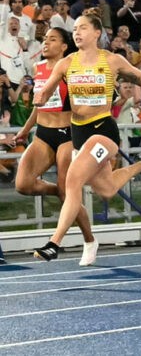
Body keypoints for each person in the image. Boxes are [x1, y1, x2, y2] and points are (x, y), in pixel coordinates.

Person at [31, 9, 141, 261]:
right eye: (74, 29)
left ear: (97, 33)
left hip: (103, 131)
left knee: (72, 180)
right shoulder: (66, 63)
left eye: (82, 28)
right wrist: (39, 96)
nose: (77, 33)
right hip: (79, 132)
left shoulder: (111, 60)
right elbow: (46, 88)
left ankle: (54, 243)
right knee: (106, 189)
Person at [12, 28, 98, 265]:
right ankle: (63, 192)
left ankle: (89, 240)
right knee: (23, 184)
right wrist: (24, 130)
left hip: (67, 133)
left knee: (65, 186)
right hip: (42, 133)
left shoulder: (72, 67)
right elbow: (38, 105)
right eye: (44, 39)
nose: (45, 42)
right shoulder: (38, 68)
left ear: (63, 46)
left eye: (52, 39)